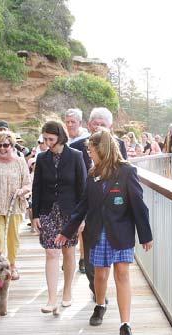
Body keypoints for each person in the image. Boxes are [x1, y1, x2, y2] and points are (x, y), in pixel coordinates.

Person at [55, 129, 153, 335]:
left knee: (122, 274)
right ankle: (100, 305)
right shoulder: (93, 174)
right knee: (100, 275)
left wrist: (145, 235)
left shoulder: (127, 171)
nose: (89, 154)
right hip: (98, 232)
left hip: (121, 232)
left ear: (102, 150)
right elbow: (83, 206)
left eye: (91, 151)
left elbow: (139, 205)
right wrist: (66, 231)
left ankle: (125, 325)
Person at [69, 107, 127, 297]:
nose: (99, 127)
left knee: (114, 256)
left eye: (103, 124)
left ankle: (101, 289)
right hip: (87, 205)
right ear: (89, 125)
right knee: (90, 250)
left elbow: (124, 176)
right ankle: (96, 288)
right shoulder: (78, 147)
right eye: (96, 124)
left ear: (110, 126)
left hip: (112, 209)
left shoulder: (119, 145)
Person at [31, 121, 86, 313]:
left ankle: (67, 291)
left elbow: (82, 189)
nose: (47, 143)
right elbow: (36, 187)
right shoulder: (42, 158)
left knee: (68, 252)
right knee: (51, 252)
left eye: (51, 139)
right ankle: (52, 299)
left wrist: (81, 218)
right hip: (47, 211)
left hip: (70, 213)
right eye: (45, 139)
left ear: (60, 137)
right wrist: (35, 214)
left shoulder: (76, 156)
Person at [0, 131, 32, 281]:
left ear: (12, 146)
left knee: (13, 239)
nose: (2, 148)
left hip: (14, 207)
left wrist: (22, 191)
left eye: (5, 145)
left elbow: (27, 184)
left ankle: (12, 265)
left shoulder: (20, 162)